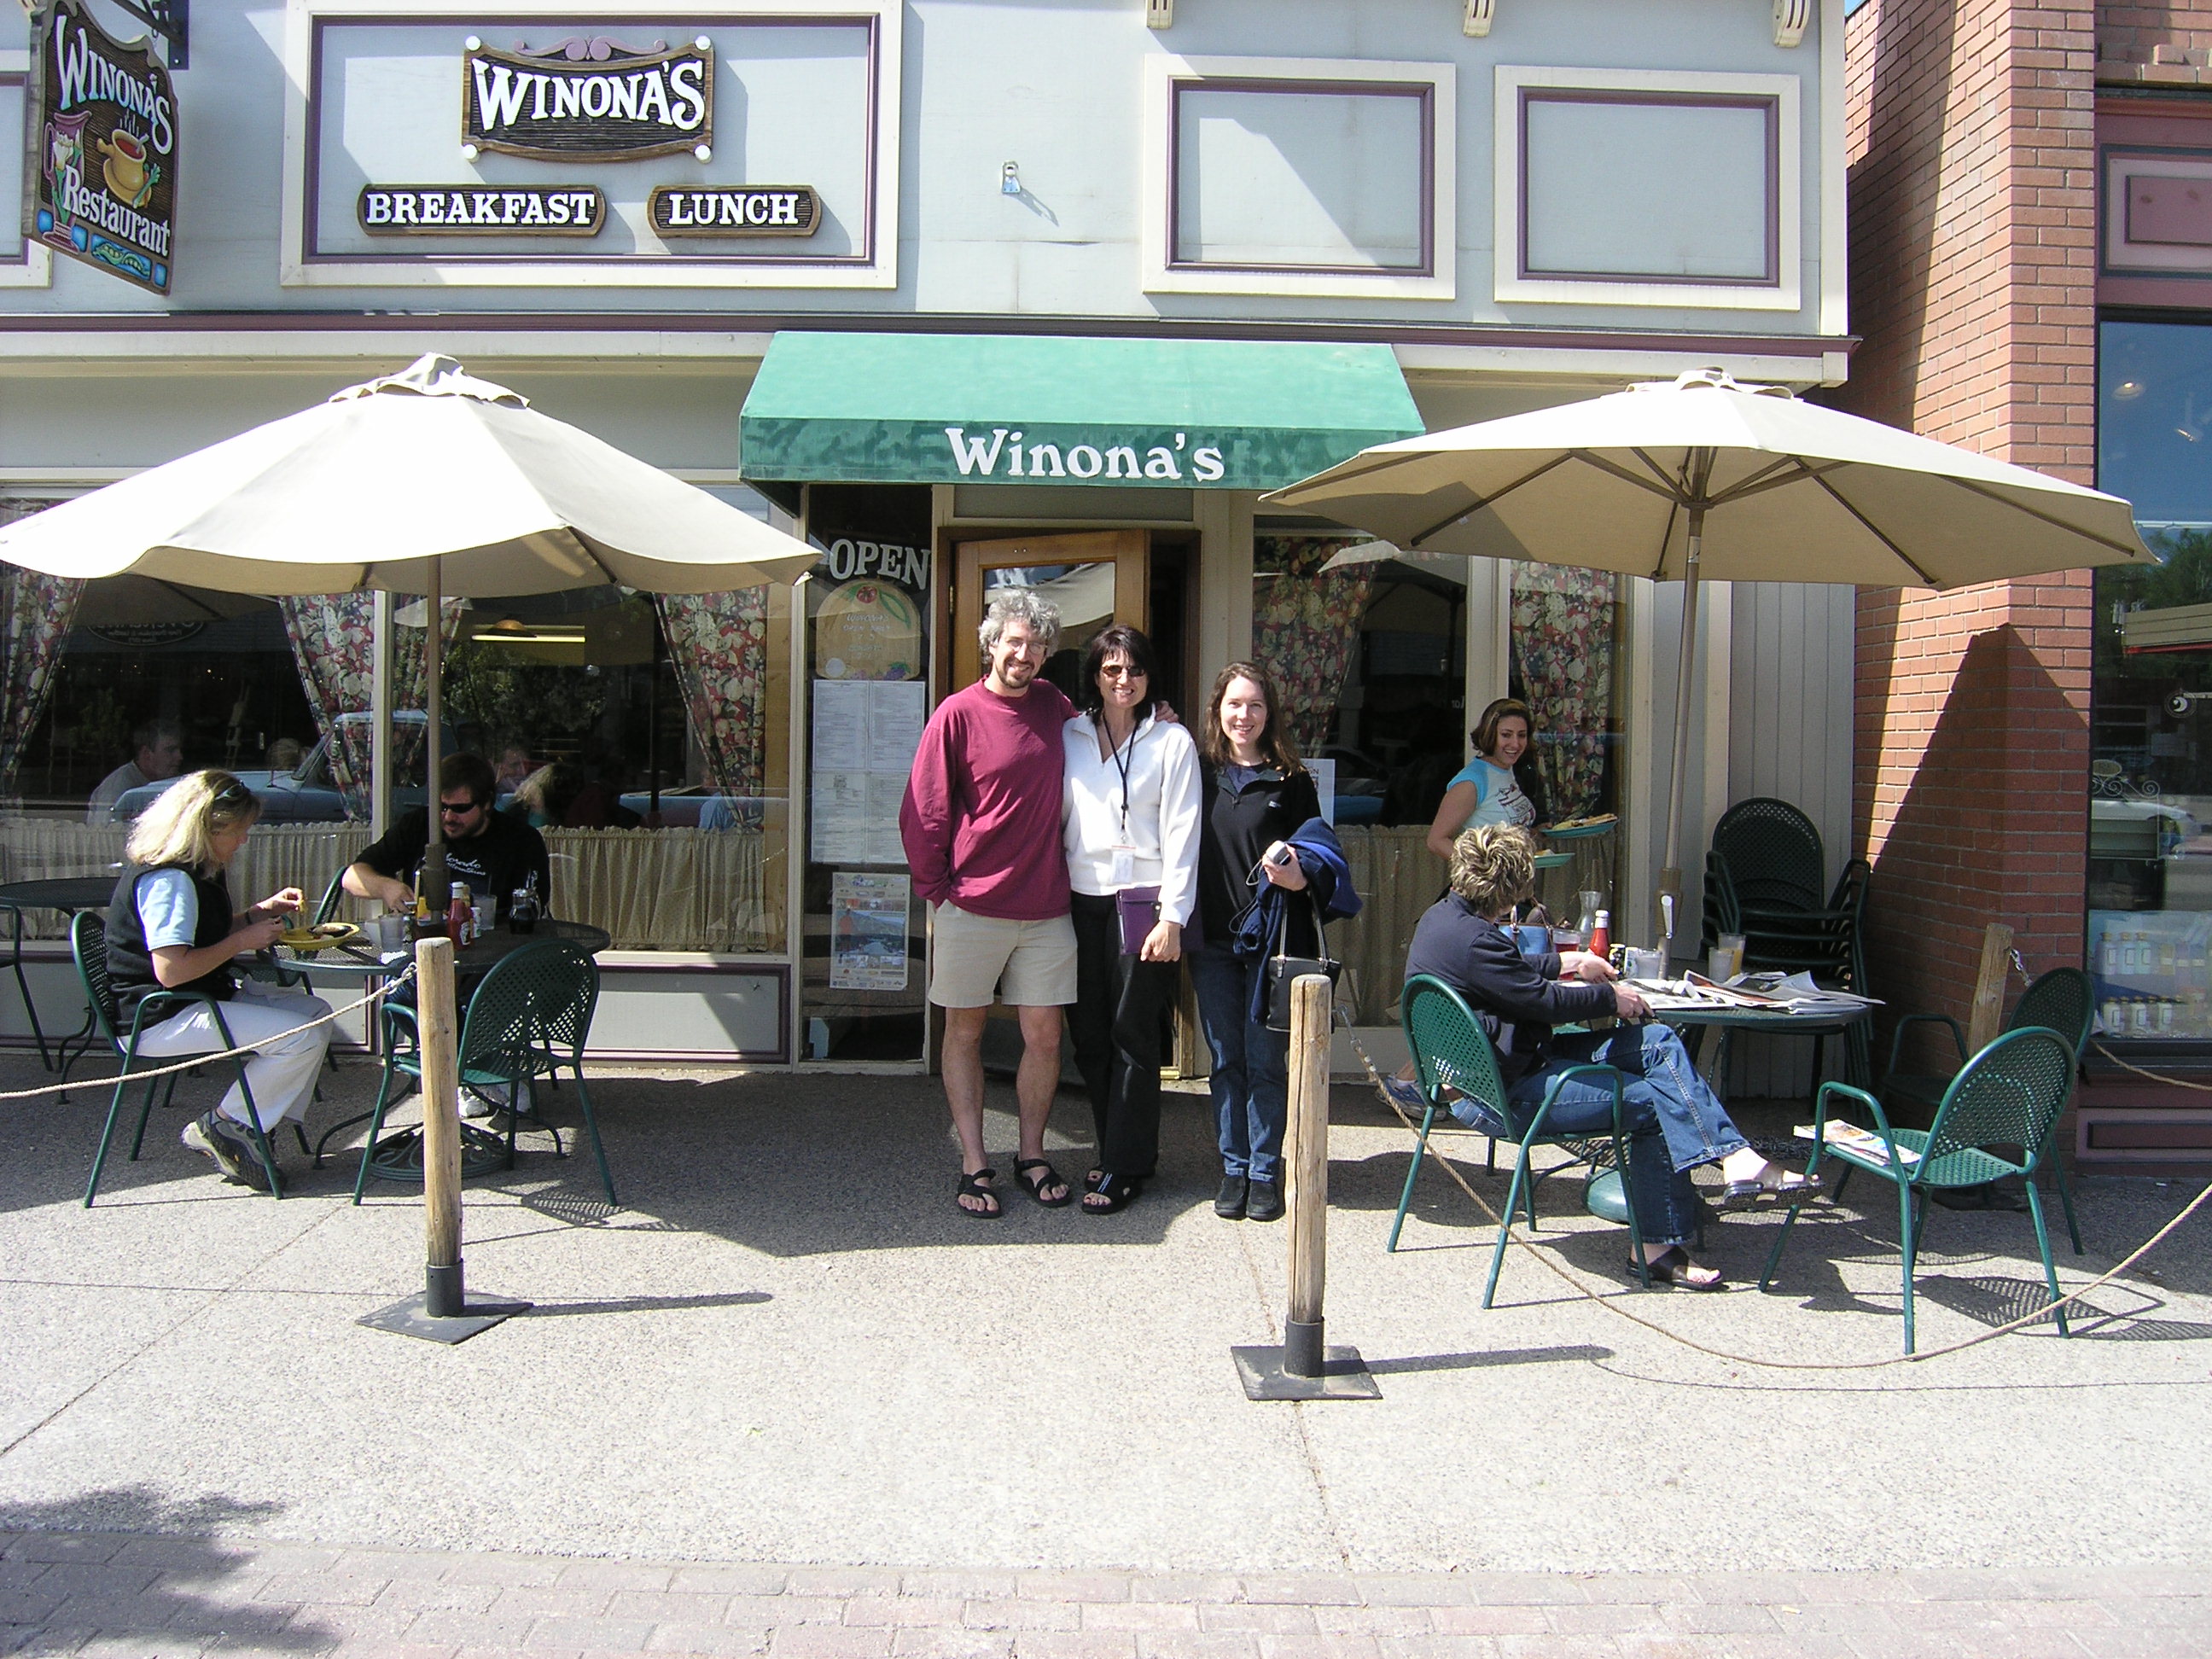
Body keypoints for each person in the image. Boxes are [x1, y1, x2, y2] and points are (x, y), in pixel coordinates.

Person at [1404, 824, 1819, 1289]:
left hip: (1496, 1071)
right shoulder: (1478, 940)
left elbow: (1504, 970)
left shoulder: (1443, 921)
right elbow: (1543, 1001)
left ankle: (1735, 1157)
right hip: (1504, 1096)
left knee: (1657, 1042)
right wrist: (1611, 998)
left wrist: (1569, 961)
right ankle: (1655, 1247)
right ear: (1510, 888)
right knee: (1654, 1102)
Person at [899, 591, 1080, 1219]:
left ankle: (1031, 1154)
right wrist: (938, 891)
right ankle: (975, 1162)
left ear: (1046, 653)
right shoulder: (957, 713)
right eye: (1014, 641)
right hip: (972, 905)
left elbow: (1107, 744)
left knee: (1045, 1036)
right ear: (992, 644)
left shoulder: (1056, 706)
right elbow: (924, 808)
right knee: (966, 1031)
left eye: (1036, 645)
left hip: (1047, 907)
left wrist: (1155, 719)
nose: (1023, 654)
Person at [104, 770, 333, 1191]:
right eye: (239, 831)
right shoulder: (169, 882)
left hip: (193, 998)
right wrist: (243, 941)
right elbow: (172, 970)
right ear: (208, 829)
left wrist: (256, 914)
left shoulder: (195, 870)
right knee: (299, 1037)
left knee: (317, 1013)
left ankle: (254, 1127)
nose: (244, 840)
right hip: (159, 1017)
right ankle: (228, 1127)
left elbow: (199, 935)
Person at [1062, 625, 1202, 1215]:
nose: (1124, 680)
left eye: (1135, 670)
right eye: (1112, 670)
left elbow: (1184, 832)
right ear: (1095, 676)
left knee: (1133, 1037)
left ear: (1150, 677)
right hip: (1076, 901)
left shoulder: (1171, 740)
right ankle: (1112, 1147)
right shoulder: (1069, 733)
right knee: (1090, 1038)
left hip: (1142, 904)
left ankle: (1127, 1165)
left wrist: (1174, 917)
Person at [1190, 662, 1322, 1225]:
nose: (1244, 715)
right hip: (1212, 942)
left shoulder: (1292, 780)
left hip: (1273, 944)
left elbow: (1320, 853)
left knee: (1266, 1060)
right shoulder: (1198, 772)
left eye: (1255, 705)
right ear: (1218, 710)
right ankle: (1234, 1168)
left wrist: (1299, 872)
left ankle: (1266, 1171)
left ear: (1270, 714)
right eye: (1234, 704)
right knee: (1226, 1059)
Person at [343, 751, 551, 924]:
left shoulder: (521, 841)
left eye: (461, 808)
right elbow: (352, 877)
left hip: (494, 953)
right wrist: (386, 887)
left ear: (487, 803)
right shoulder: (419, 824)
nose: (449, 817)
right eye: (442, 807)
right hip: (422, 946)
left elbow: (532, 911)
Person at [1425, 698, 1546, 860]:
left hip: (1517, 874)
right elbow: (1436, 841)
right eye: (1506, 735)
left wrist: (1536, 833)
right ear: (1490, 735)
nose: (1515, 744)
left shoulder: (1506, 769)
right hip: (1489, 876)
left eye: (1521, 735)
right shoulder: (1472, 781)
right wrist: (1482, 868)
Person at [87, 720, 184, 825]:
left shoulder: (169, 784)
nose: (179, 757)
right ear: (146, 754)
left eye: (179, 750)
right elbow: (106, 831)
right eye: (170, 750)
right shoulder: (118, 786)